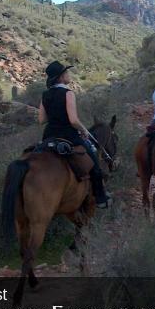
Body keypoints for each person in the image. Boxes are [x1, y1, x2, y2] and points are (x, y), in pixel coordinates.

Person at [38, 61, 111, 208]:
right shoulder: (68, 93)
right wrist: (84, 130)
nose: (68, 75)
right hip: (68, 135)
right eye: (66, 73)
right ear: (61, 77)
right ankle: (100, 197)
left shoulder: (45, 94)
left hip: (49, 135)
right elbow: (73, 120)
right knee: (93, 159)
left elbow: (41, 120)